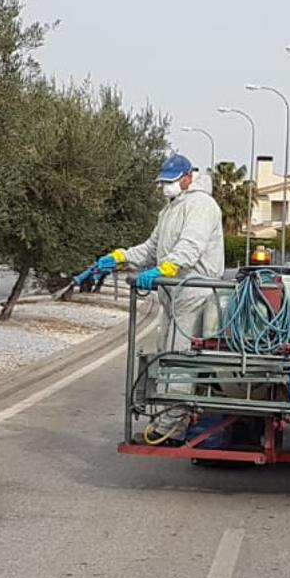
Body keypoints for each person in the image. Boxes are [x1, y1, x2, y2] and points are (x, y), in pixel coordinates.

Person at [86, 153, 224, 444]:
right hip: (173, 295)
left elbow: (190, 247)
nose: (165, 187)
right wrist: (120, 257)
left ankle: (171, 430)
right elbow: (151, 248)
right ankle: (164, 424)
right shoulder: (171, 209)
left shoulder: (201, 205)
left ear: (188, 177)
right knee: (166, 359)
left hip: (193, 295)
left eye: (170, 182)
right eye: (162, 182)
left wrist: (165, 269)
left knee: (178, 362)